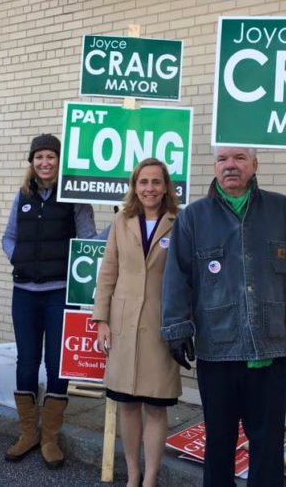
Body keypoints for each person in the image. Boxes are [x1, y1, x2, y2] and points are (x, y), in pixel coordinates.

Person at [161, 146, 286, 487]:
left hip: (270, 349)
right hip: (217, 348)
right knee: (220, 443)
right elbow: (177, 277)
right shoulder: (193, 217)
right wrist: (176, 328)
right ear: (214, 165)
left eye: (239, 158)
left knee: (267, 445)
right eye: (223, 159)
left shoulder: (285, 211)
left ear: (254, 164)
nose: (231, 166)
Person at [2, 133, 96, 468]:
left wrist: (119, 227)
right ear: (32, 162)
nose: (45, 162)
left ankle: (51, 437)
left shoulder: (75, 198)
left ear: (60, 161)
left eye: (51, 157)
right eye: (39, 157)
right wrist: (20, 261)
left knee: (58, 364)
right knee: (27, 361)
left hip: (60, 293)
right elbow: (9, 236)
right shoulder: (23, 196)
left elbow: (87, 240)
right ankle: (28, 433)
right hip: (24, 292)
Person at [93, 158, 182, 487]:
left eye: (156, 182)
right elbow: (108, 271)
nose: (149, 188)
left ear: (165, 186)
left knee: (156, 406)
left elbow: (186, 275)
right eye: (143, 182)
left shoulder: (179, 221)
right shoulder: (122, 220)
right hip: (123, 324)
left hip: (161, 324)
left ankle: (151, 477)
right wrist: (101, 318)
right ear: (135, 186)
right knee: (128, 405)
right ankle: (132, 474)